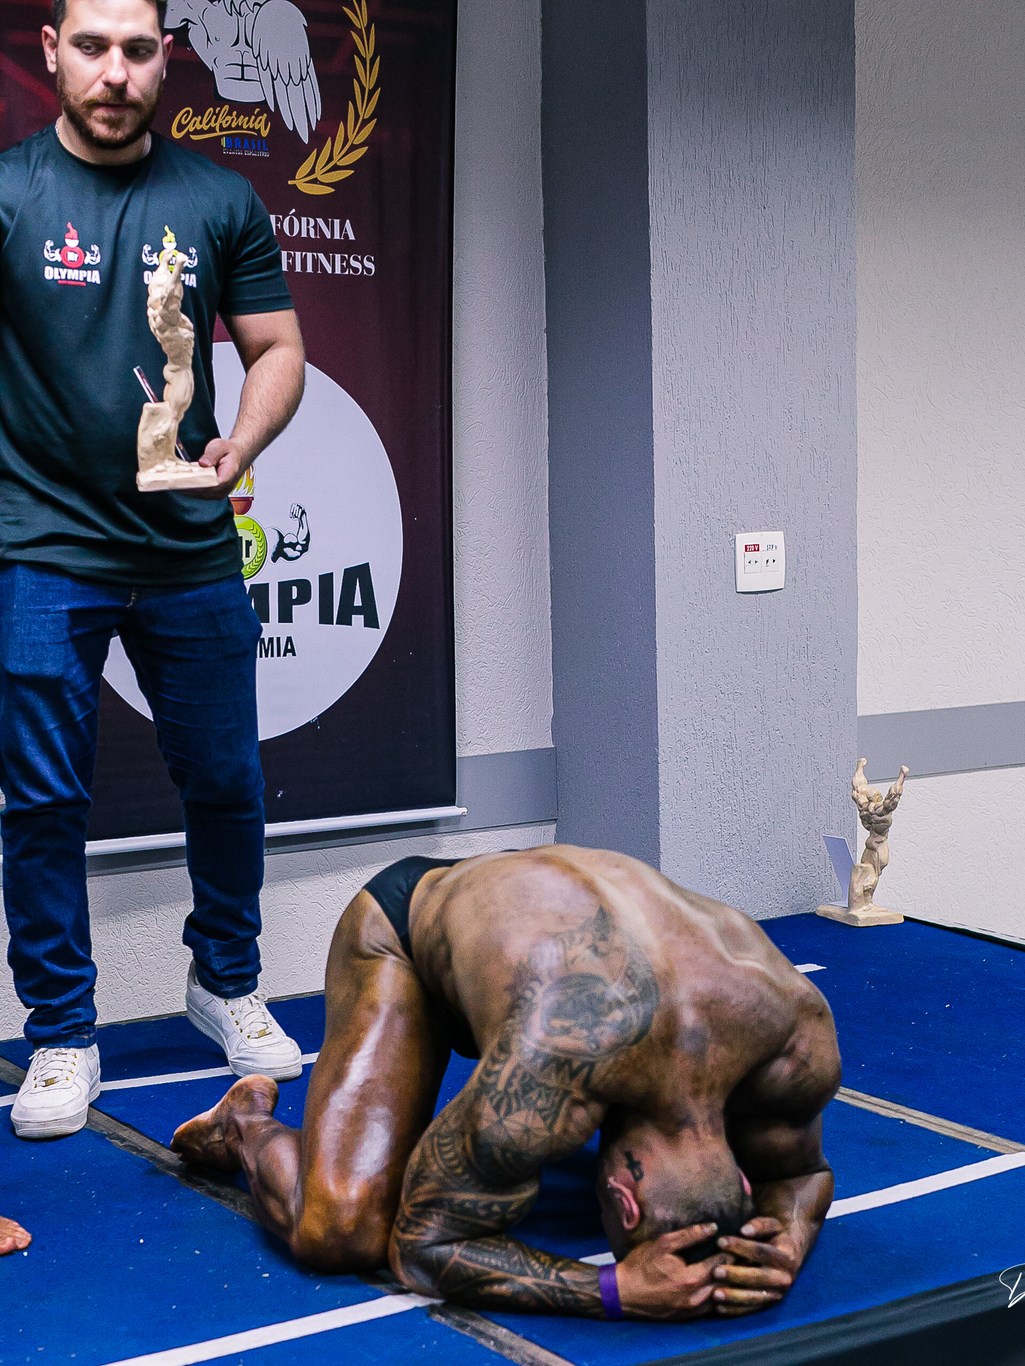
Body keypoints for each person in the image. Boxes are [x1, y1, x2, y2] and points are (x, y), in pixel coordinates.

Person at [1, 0, 306, 1140]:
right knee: (42, 801)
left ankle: (225, 981)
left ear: (166, 58)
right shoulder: (9, 194)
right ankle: (61, 1032)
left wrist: (243, 442)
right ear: (52, 51)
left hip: (187, 548)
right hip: (43, 548)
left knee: (226, 779)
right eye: (92, 47)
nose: (115, 73)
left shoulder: (219, 199)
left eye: (137, 50)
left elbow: (276, 347)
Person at [172, 847, 841, 1321]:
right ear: (623, 1201)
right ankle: (246, 1123)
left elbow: (802, 1176)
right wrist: (614, 1290)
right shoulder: (556, 1066)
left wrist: (786, 1241)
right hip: (409, 929)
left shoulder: (792, 1035)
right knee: (340, 1233)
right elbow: (422, 1247)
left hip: (546, 924)